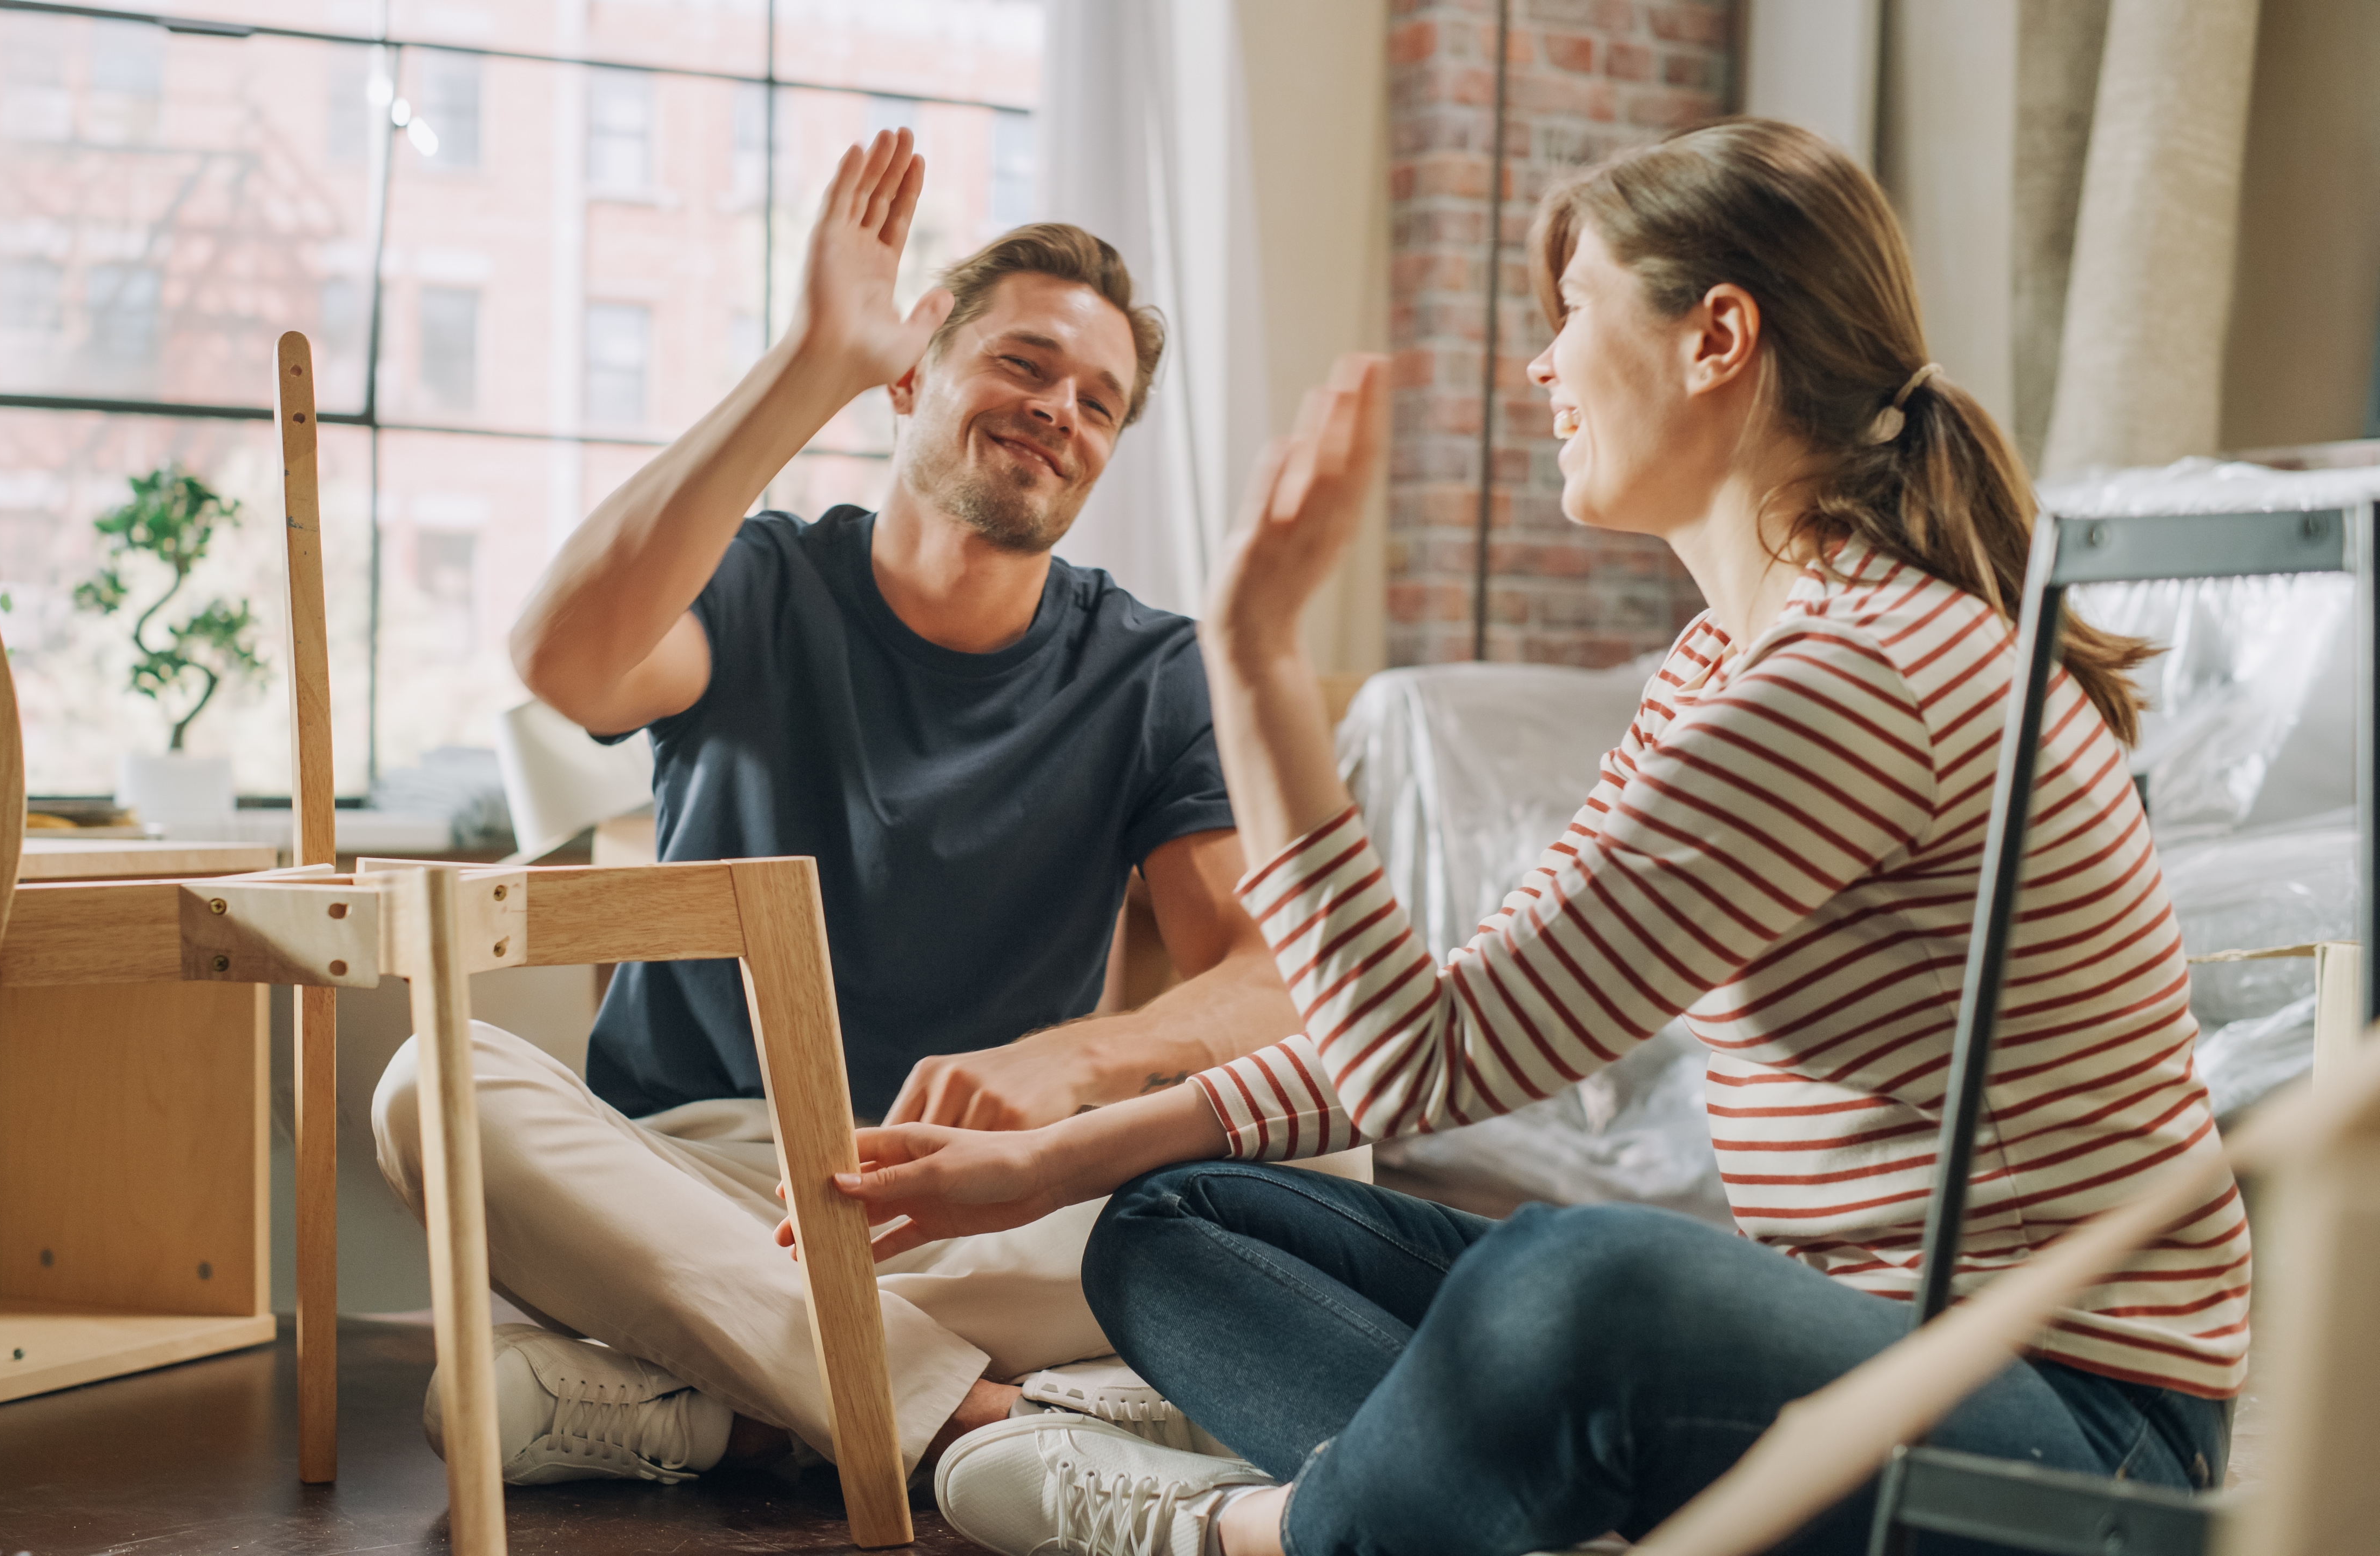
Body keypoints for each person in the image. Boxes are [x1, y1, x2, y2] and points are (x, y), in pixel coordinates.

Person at [813, 118, 2247, 1556]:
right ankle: (1436, 1500)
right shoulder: (1728, 663)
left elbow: (1420, 1065)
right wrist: (1061, 1165)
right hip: (1855, 1369)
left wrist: (1251, 660)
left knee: (1581, 1285)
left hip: (2068, 1439)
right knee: (1175, 1220)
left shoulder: (1852, 675)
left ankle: (1252, 1529)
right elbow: (1462, 1015)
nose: (1543, 368)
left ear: (1718, 338)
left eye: (1574, 316)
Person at [368, 130, 1322, 1490]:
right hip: (706, 1177)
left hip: (980, 1199)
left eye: (1101, 402)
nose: (1062, 409)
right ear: (911, 371)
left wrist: (1085, 1059)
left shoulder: (1151, 669)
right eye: (1025, 363)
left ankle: (709, 1397)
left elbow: (1277, 974)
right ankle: (983, 1420)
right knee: (435, 1090)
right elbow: (561, 659)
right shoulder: (757, 587)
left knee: (1316, 1176)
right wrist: (808, 362)